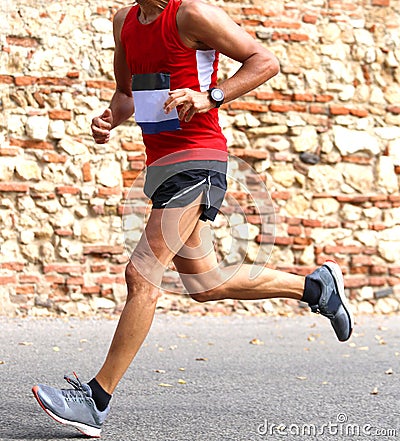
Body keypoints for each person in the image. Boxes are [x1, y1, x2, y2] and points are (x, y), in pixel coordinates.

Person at [32, 0, 354, 437]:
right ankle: (317, 288)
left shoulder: (191, 15)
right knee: (207, 285)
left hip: (198, 160)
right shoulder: (125, 22)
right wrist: (111, 118)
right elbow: (128, 94)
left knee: (142, 274)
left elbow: (265, 60)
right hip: (161, 166)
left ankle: (96, 399)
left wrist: (211, 96)